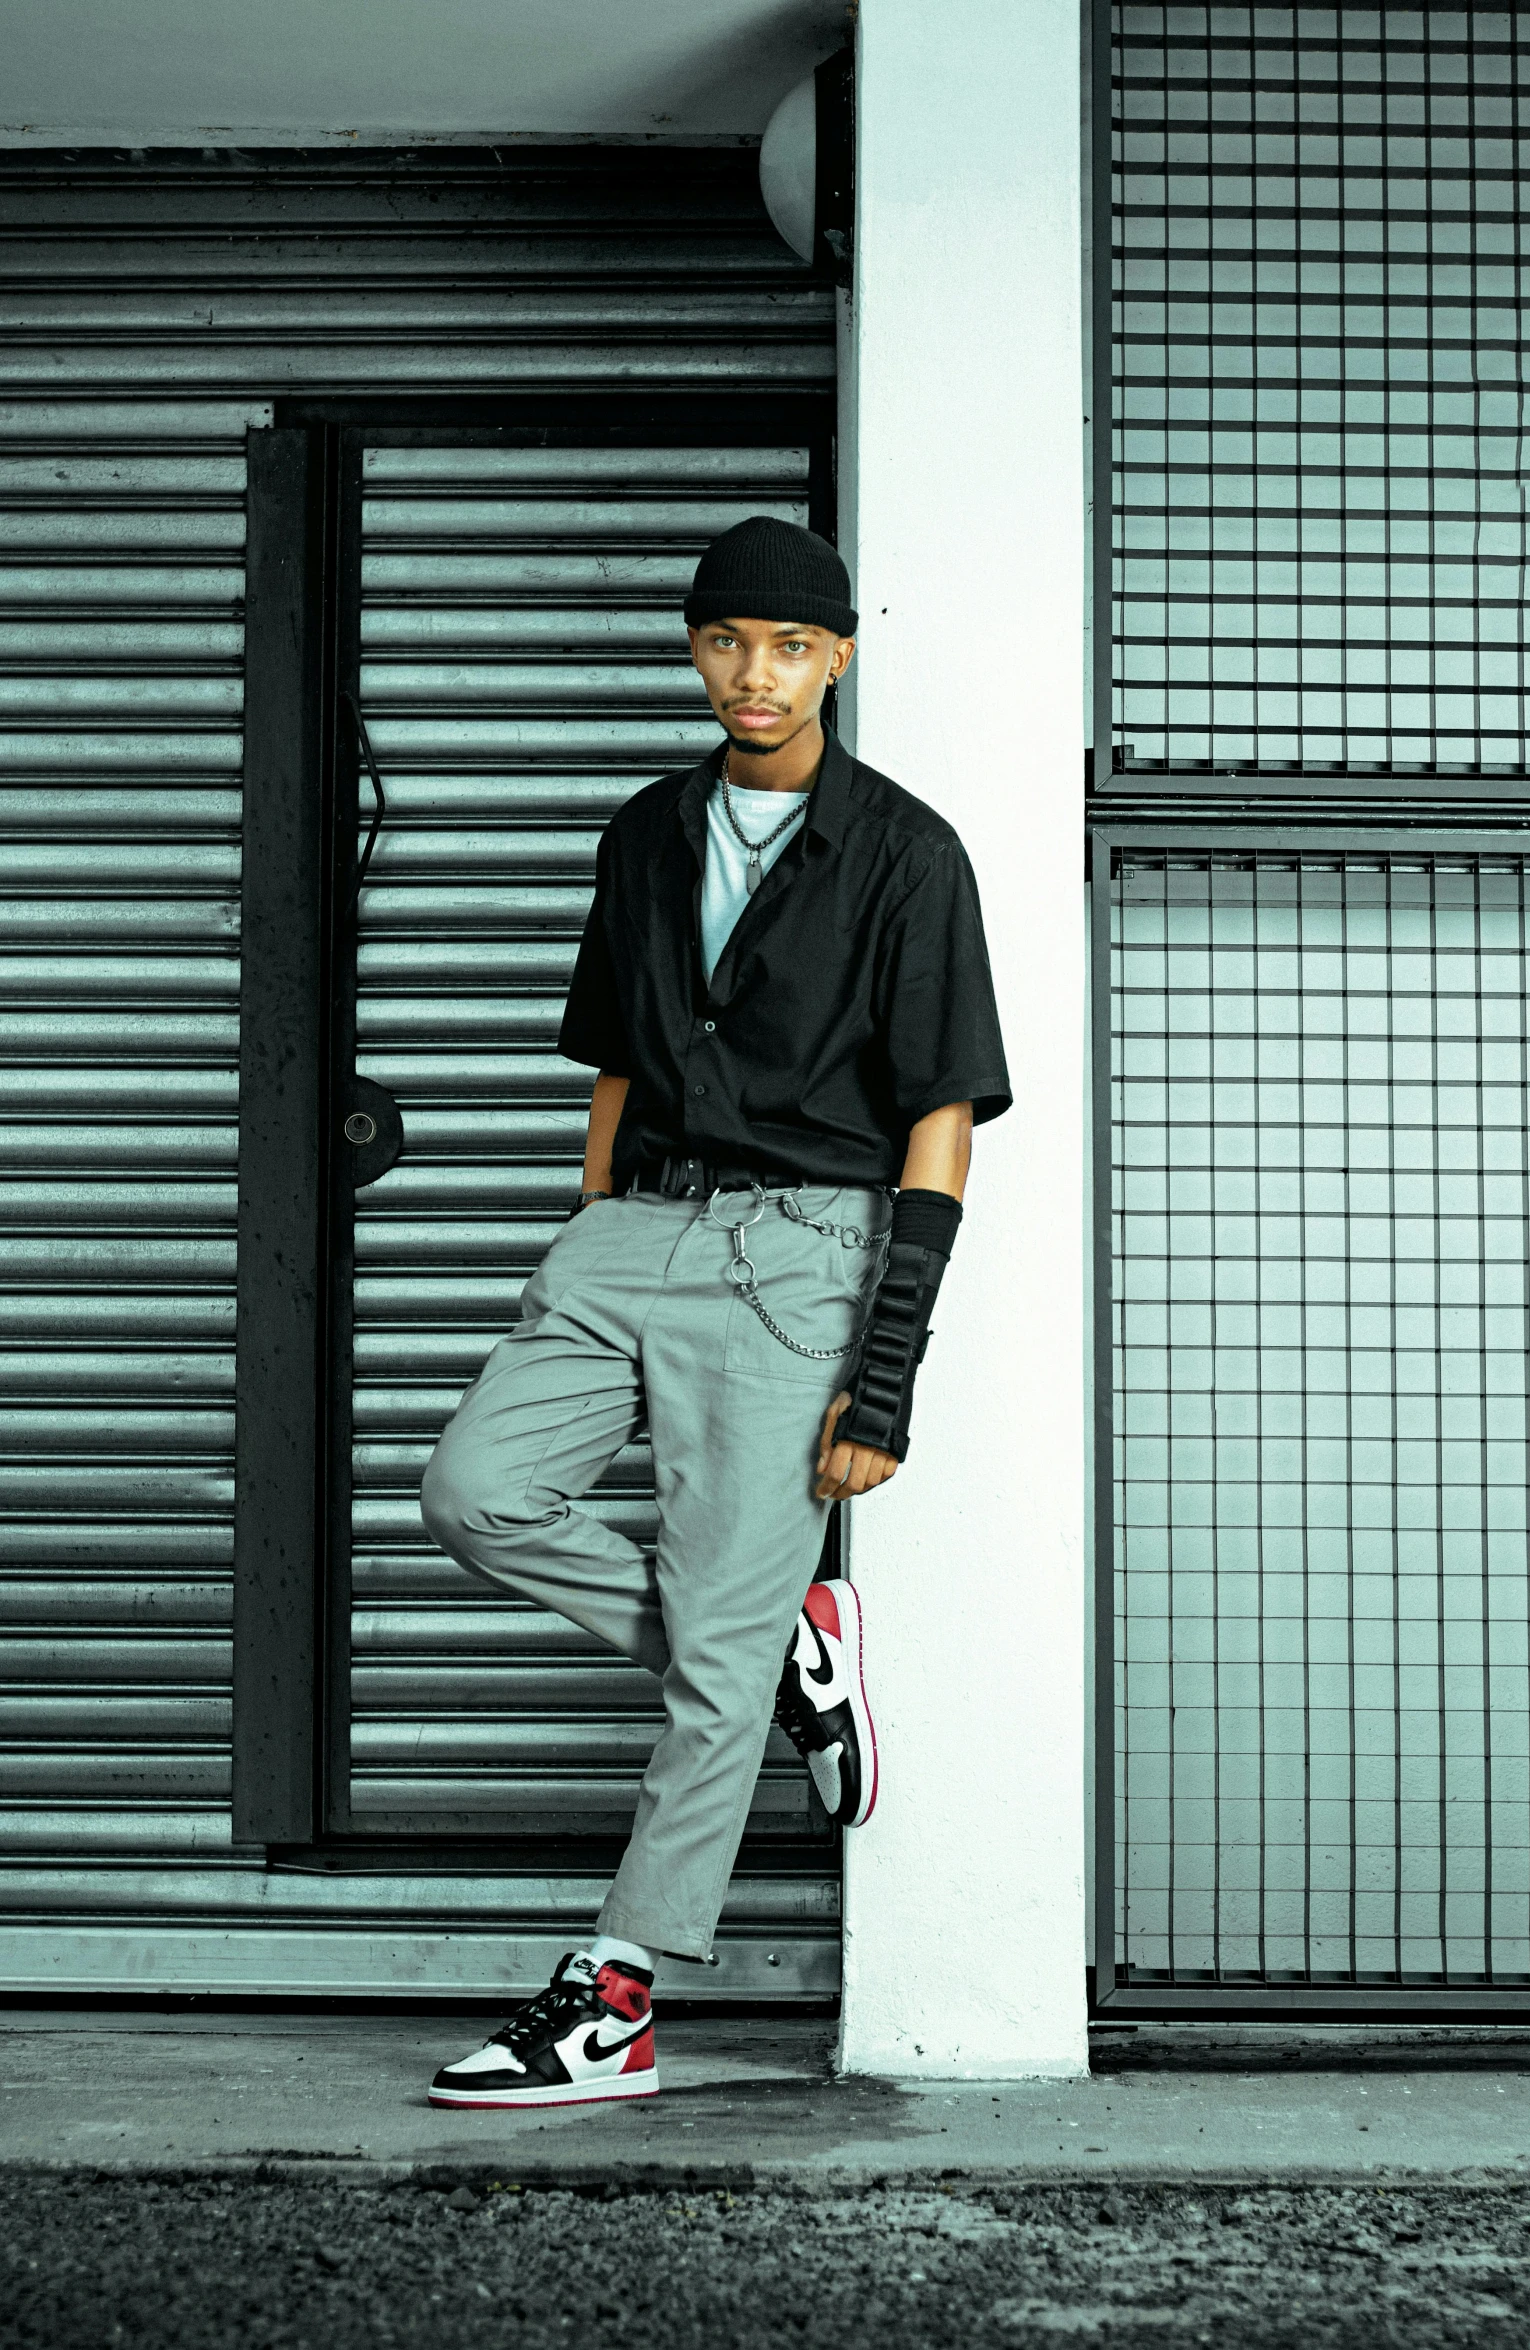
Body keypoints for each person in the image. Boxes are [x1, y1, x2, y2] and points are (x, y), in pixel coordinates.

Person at [419, 516, 1011, 2108]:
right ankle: (782, 1658)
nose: (759, 676)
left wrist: (879, 1381)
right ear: (694, 651)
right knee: (472, 1487)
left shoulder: (905, 853)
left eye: (793, 647)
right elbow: (615, 1059)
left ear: (838, 658)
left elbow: (937, 1128)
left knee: (709, 1657)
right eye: (729, 643)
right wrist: (588, 1233)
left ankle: (612, 1996)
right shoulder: (646, 832)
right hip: (636, 1228)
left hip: (799, 1258)